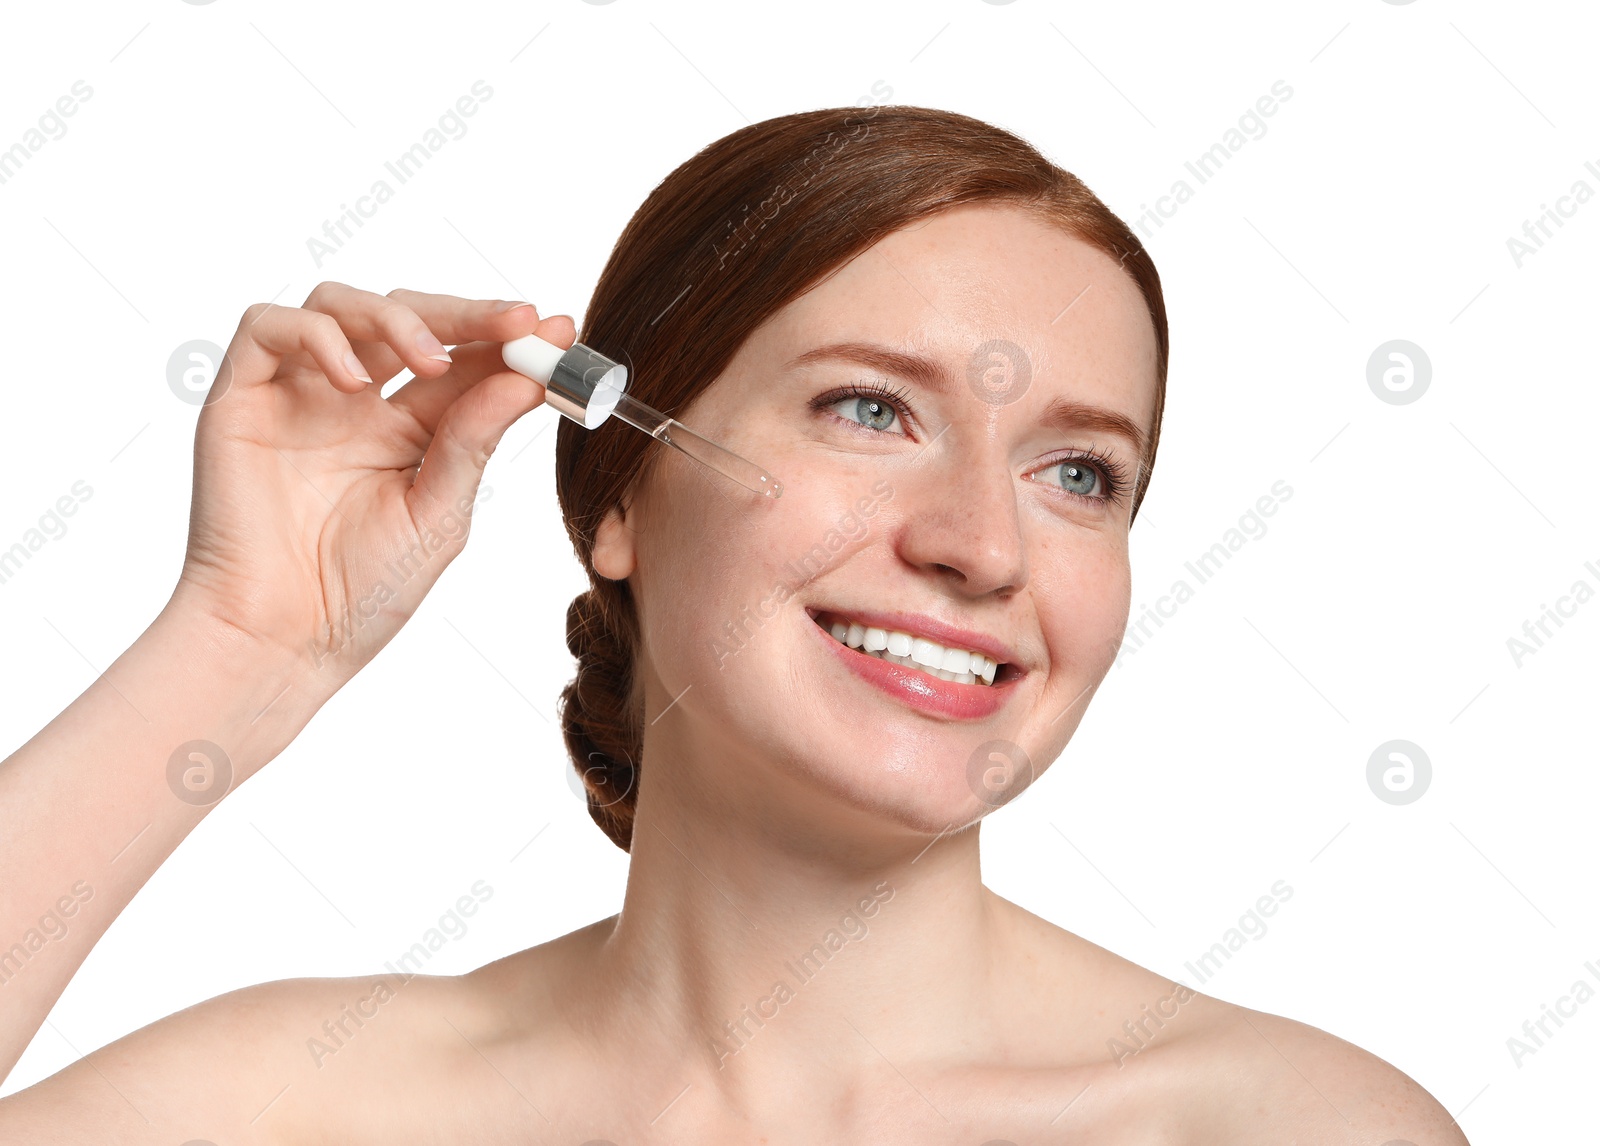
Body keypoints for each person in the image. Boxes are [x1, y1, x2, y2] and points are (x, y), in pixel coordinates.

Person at [0, 104, 1466, 1142]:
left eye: (1080, 472)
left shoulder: (1281, 1126)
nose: (978, 544)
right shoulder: (298, 1107)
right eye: (871, 407)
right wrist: (242, 643)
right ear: (624, 482)